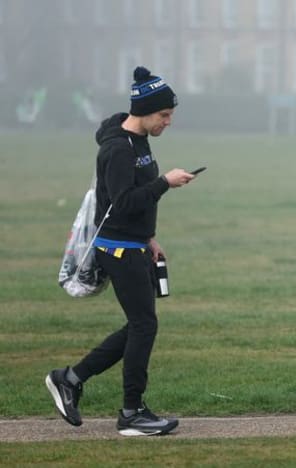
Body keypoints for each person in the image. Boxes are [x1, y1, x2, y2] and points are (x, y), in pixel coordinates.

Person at [45, 66, 197, 436]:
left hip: (134, 245)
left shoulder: (138, 140)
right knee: (144, 325)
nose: (168, 122)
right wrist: (165, 182)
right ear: (144, 111)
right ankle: (131, 413)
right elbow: (123, 202)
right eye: (164, 115)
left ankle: (70, 379)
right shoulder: (117, 149)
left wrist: (149, 238)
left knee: (139, 325)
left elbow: (133, 199)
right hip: (116, 250)